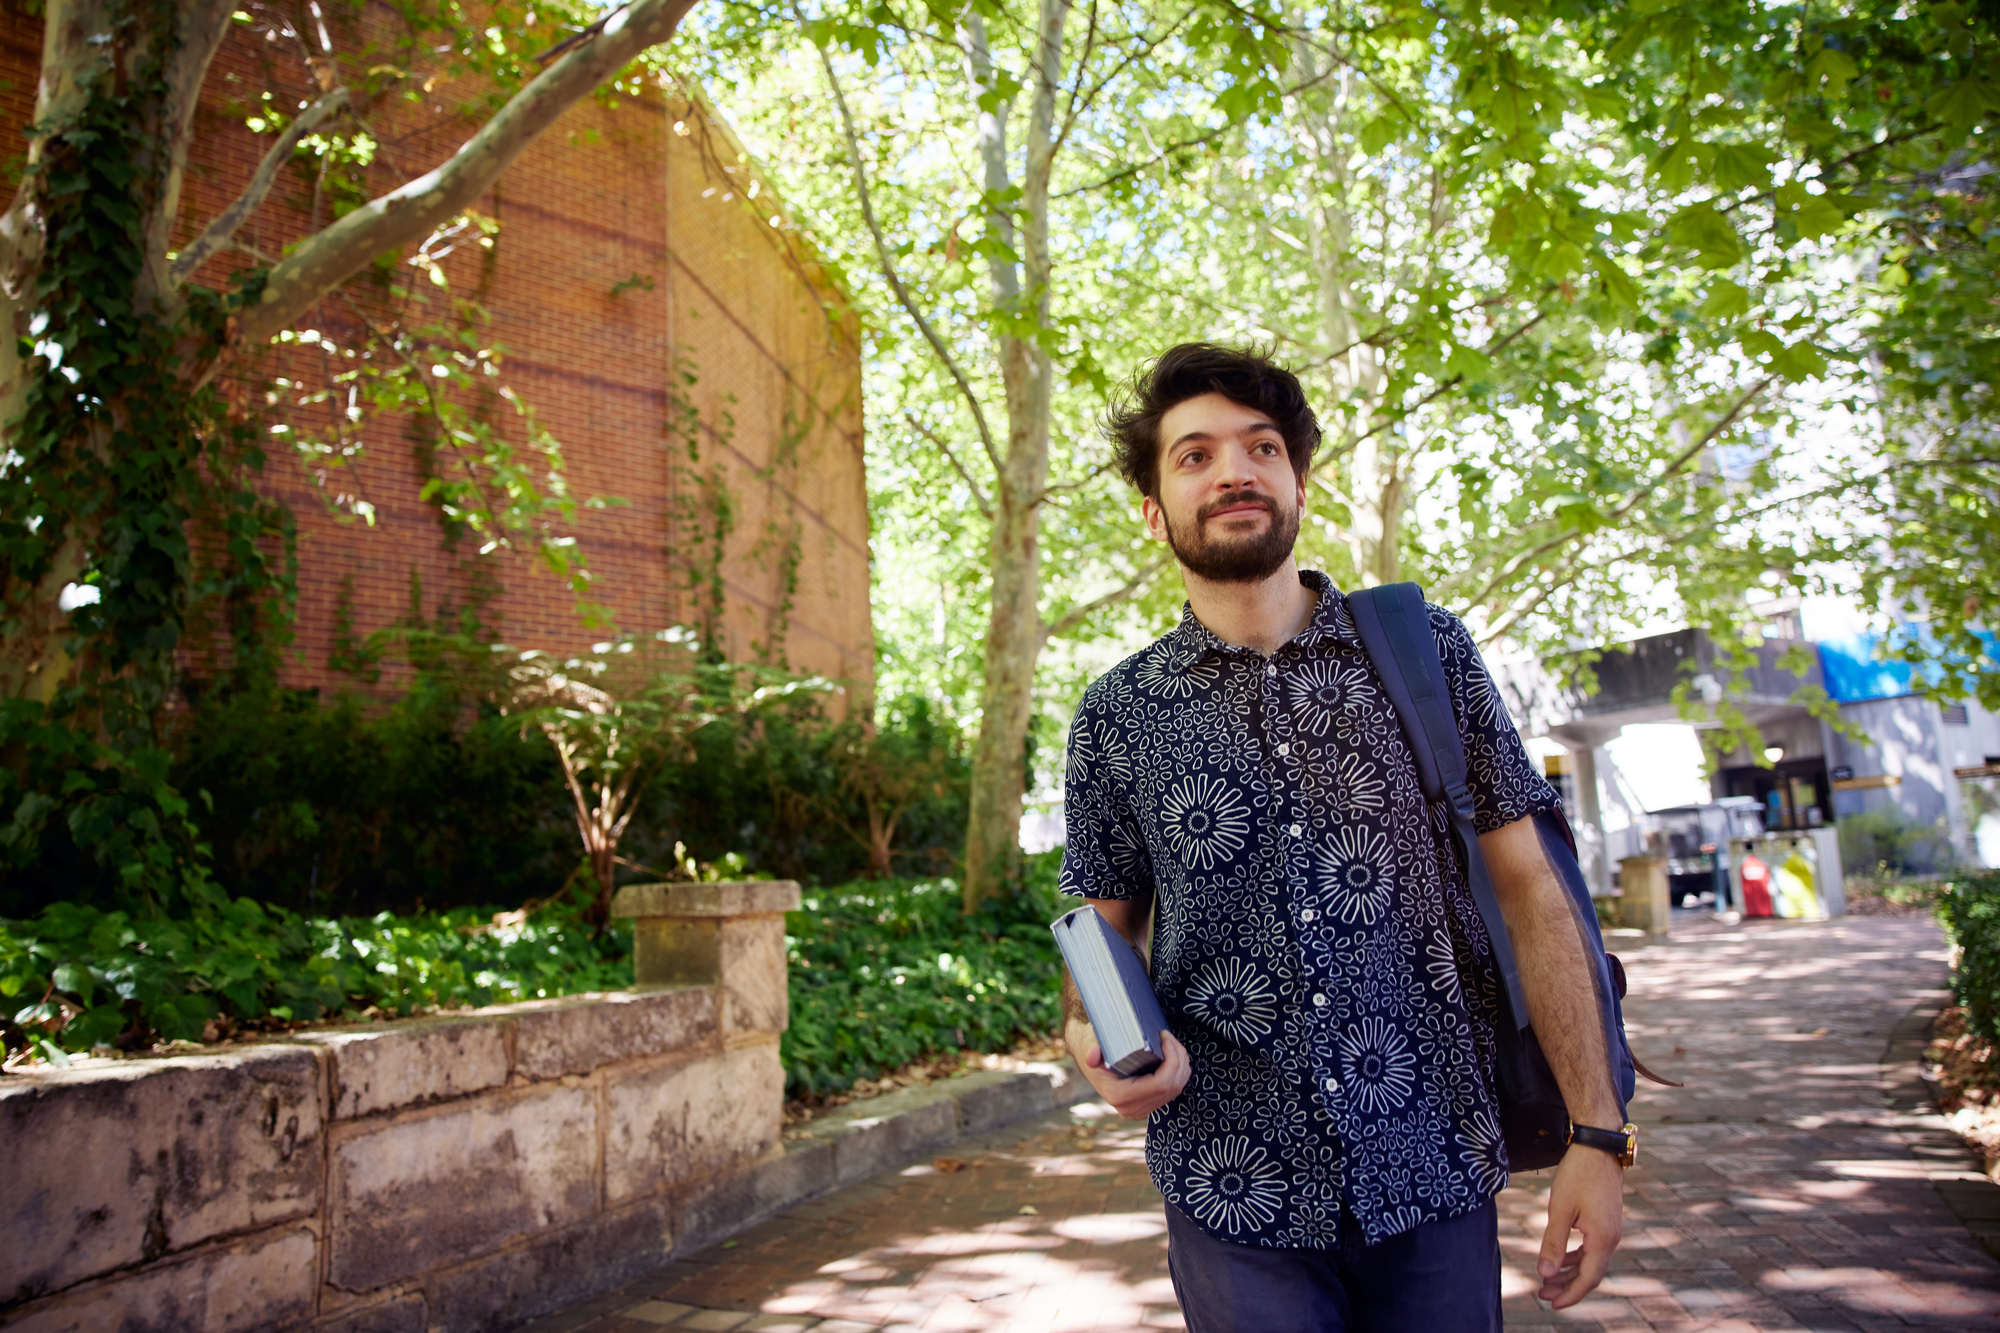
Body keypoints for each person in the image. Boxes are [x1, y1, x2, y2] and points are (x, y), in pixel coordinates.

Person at [1057, 343, 1628, 1331]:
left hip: (1436, 1166)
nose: (1232, 469)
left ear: (1297, 484)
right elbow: (1093, 945)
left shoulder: (1424, 652)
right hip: (1231, 1187)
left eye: (1261, 446)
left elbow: (1536, 891)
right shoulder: (1116, 714)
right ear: (1153, 511)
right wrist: (1098, 1044)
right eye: (1193, 455)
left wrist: (1598, 1131)